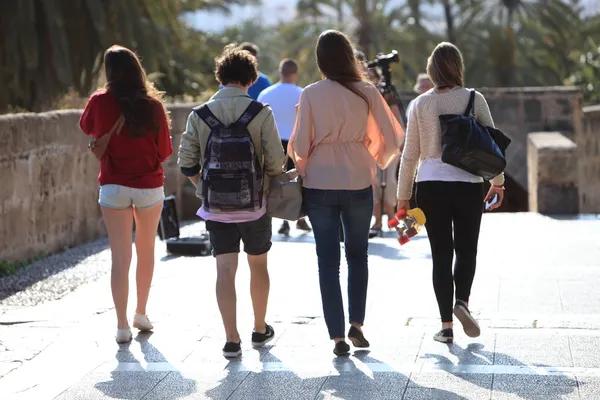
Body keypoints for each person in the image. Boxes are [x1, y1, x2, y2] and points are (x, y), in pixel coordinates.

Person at [288, 30, 405, 356]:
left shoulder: (310, 93)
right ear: (349, 57)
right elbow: (394, 137)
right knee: (358, 255)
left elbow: (299, 146)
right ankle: (357, 324)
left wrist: (305, 165)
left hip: (319, 183)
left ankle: (337, 337)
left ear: (321, 60)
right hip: (357, 180)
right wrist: (372, 157)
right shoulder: (367, 91)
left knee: (327, 261)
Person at [178, 44, 285, 358]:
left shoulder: (200, 115)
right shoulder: (261, 112)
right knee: (258, 265)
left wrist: (204, 188)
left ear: (219, 77)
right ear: (251, 80)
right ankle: (260, 328)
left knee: (225, 270)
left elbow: (186, 163)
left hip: (216, 208)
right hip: (255, 206)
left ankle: (231, 339)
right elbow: (276, 164)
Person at [396, 42, 505, 344]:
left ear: (431, 69)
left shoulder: (420, 104)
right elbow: (490, 146)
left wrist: (403, 198)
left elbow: (409, 155)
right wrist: (498, 182)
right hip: (468, 184)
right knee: (467, 248)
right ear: (458, 67)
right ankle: (463, 303)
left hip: (430, 186)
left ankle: (446, 326)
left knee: (441, 255)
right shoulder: (474, 98)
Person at [79, 45, 173, 344]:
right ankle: (141, 313)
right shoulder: (153, 105)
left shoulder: (99, 101)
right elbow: (165, 152)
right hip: (148, 186)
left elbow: (86, 127)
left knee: (120, 257)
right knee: (146, 251)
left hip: (113, 186)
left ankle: (121, 326)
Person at [258, 58, 311, 235]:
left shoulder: (266, 94)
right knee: (297, 183)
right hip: (296, 143)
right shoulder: (303, 93)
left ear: (280, 72)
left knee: (271, 183)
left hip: (272, 143)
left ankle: (275, 219)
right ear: (295, 74)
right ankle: (299, 218)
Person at [354, 52, 404, 238]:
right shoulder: (361, 94)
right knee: (373, 184)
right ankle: (376, 220)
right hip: (368, 146)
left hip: (388, 145)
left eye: (372, 77)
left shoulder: (386, 94)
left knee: (390, 181)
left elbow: (396, 120)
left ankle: (391, 217)